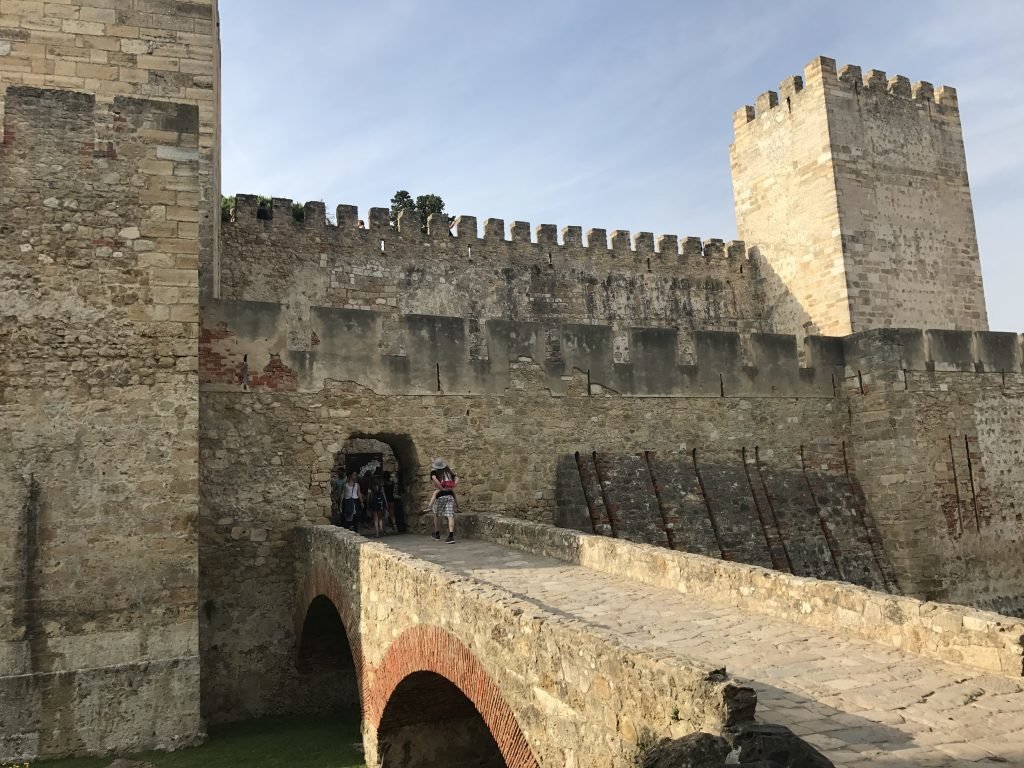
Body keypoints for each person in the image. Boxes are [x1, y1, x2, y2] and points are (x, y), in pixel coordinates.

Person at [429, 458, 458, 543]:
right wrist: (452, 487)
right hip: (450, 495)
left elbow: (434, 479)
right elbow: (457, 479)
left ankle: (437, 534)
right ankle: (451, 536)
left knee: (436, 514)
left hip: (440, 496)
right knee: (450, 515)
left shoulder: (434, 471)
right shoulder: (448, 471)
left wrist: (441, 488)